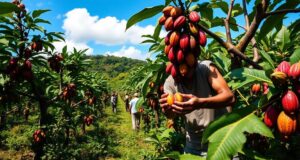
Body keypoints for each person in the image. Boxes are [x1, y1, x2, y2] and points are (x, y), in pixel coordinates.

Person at [159, 60, 235, 156]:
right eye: (181, 69)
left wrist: (200, 103)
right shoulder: (170, 82)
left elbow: (230, 97)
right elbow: (171, 115)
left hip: (223, 139)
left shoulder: (206, 68)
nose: (183, 72)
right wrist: (166, 110)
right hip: (193, 145)